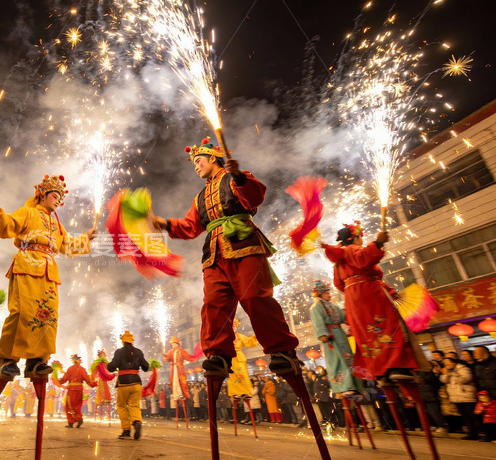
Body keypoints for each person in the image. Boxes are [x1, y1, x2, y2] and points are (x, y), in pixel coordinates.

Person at [152, 138, 299, 375]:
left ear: (213, 158)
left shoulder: (236, 178)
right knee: (213, 305)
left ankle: (281, 349)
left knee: (255, 297)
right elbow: (190, 226)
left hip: (243, 244)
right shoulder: (200, 197)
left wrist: (239, 175)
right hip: (213, 254)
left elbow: (254, 197)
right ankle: (218, 354)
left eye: (199, 161)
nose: (196, 167)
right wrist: (165, 223)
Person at [0, 175, 94, 378]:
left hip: (49, 271)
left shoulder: (57, 225)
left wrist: (85, 238)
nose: (58, 201)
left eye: (60, 198)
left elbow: (67, 246)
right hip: (27, 263)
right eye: (55, 195)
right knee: (21, 312)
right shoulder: (28, 212)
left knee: (47, 316)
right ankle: (7, 359)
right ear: (42, 195)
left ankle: (37, 361)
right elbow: (8, 225)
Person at [320, 222, 429, 381]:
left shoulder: (338, 262)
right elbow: (363, 260)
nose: (361, 240)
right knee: (386, 326)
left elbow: (338, 284)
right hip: (369, 292)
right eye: (359, 237)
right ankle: (396, 366)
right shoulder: (353, 250)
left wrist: (387, 291)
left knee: (366, 334)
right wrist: (378, 243)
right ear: (354, 237)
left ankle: (378, 370)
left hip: (352, 298)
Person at [106, 331, 149, 439]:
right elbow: (146, 367)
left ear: (123, 341)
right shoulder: (138, 352)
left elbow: (111, 367)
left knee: (121, 406)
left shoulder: (119, 352)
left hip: (123, 382)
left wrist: (107, 365)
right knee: (134, 405)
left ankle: (126, 430)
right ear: (132, 341)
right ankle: (136, 421)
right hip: (136, 382)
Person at [439, 357, 479, 440]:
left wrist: (451, 374)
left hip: (466, 396)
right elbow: (443, 380)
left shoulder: (463, 368)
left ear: (454, 362)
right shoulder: (449, 371)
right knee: (465, 416)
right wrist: (446, 373)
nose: (447, 365)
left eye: (448, 363)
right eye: (445, 364)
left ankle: (480, 432)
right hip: (456, 397)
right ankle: (472, 433)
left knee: (472, 416)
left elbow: (466, 379)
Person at [60, 354, 97, 428]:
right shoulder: (82, 369)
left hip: (72, 389)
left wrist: (58, 382)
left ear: (74, 361)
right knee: (77, 406)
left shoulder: (70, 368)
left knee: (69, 405)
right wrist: (93, 384)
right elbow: (87, 379)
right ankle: (79, 419)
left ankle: (71, 422)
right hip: (79, 389)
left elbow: (64, 379)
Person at [163, 337, 196, 404]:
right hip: (173, 369)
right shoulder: (170, 351)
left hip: (180, 368)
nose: (174, 345)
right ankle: (176, 395)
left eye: (175, 343)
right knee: (173, 381)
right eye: (172, 344)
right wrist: (165, 355)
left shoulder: (182, 351)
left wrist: (194, 357)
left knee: (182, 381)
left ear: (178, 344)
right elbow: (167, 359)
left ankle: (184, 395)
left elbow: (188, 357)